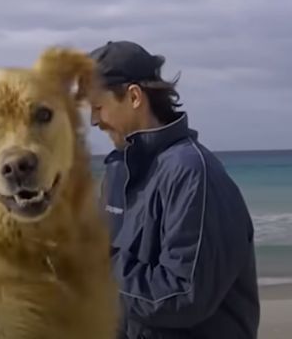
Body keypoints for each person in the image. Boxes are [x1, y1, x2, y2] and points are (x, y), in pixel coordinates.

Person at [86, 40, 259, 339]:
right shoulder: (117, 171)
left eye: (98, 107)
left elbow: (181, 298)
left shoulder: (193, 173)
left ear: (134, 97)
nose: (93, 120)